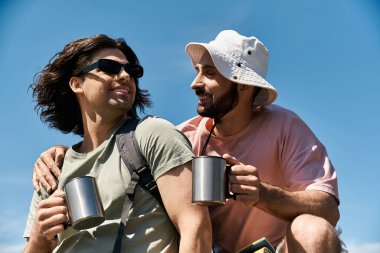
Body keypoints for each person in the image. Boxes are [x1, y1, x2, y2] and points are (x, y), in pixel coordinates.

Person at [32, 30, 341, 253]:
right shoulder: (185, 134)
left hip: (275, 249)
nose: (195, 83)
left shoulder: (285, 126)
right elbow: (114, 147)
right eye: (197, 72)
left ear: (243, 85)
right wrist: (61, 153)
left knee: (313, 229)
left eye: (209, 73)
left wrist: (262, 194)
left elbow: (328, 209)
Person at [23, 34, 211, 253]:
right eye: (109, 67)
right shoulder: (53, 169)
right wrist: (39, 238)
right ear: (76, 83)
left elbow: (195, 227)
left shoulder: (152, 134)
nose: (125, 76)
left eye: (132, 71)